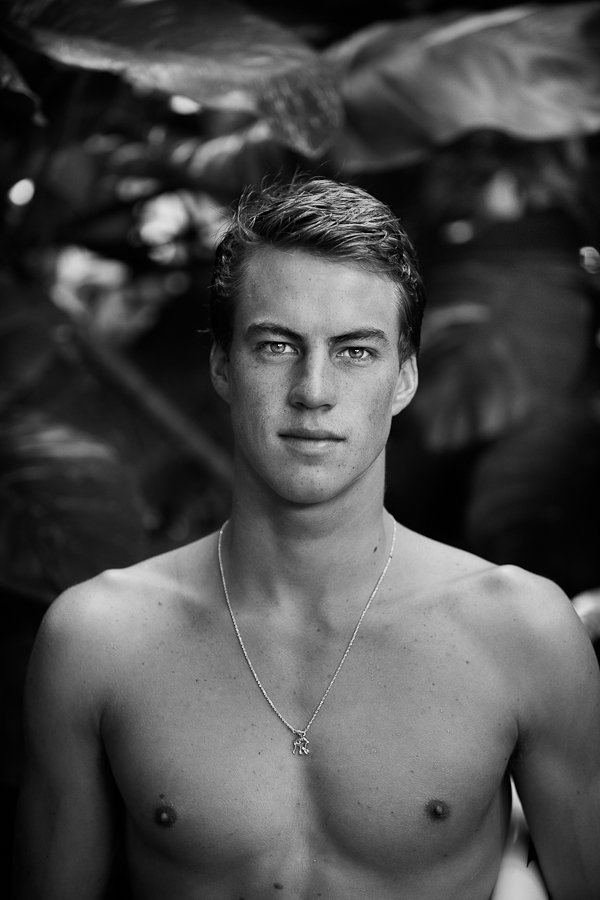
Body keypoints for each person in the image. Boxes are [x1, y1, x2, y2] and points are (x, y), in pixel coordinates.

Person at [12, 175, 600, 900]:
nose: (313, 391)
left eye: (354, 351)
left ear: (405, 378)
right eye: (276, 345)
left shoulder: (523, 633)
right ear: (222, 365)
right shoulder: (96, 639)